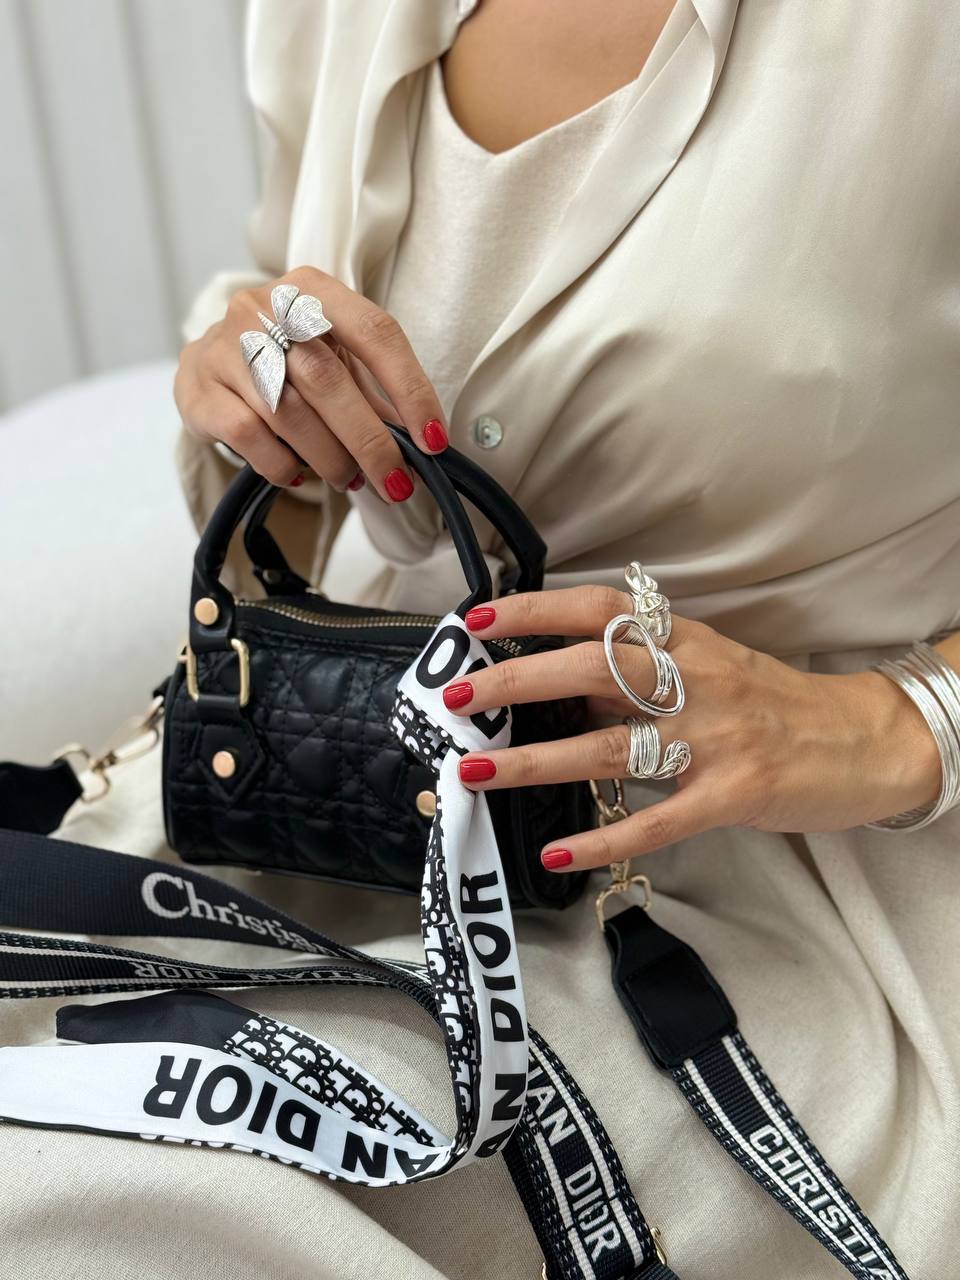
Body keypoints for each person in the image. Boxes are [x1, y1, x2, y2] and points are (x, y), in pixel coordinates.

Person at [5, 2, 959, 1277]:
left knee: (84, 1198)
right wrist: (253, 386)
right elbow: (280, 298)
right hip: (325, 783)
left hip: (759, 889)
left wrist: (891, 722)